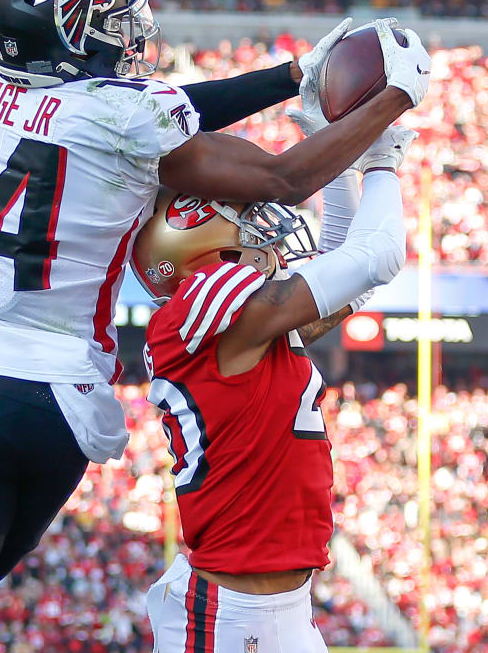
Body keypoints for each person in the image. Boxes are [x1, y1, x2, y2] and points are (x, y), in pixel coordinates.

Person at [0, 0, 432, 653]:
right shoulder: (215, 306)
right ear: (69, 25)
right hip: (66, 400)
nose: (127, 35)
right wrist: (388, 108)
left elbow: (158, 114)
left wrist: (293, 77)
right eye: (108, 18)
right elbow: (281, 183)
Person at [133, 111, 416, 652]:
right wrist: (380, 161)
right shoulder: (211, 314)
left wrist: (332, 154)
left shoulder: (243, 325)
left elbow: (351, 285)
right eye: (246, 215)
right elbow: (376, 258)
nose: (264, 226)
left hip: (282, 609)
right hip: (232, 617)